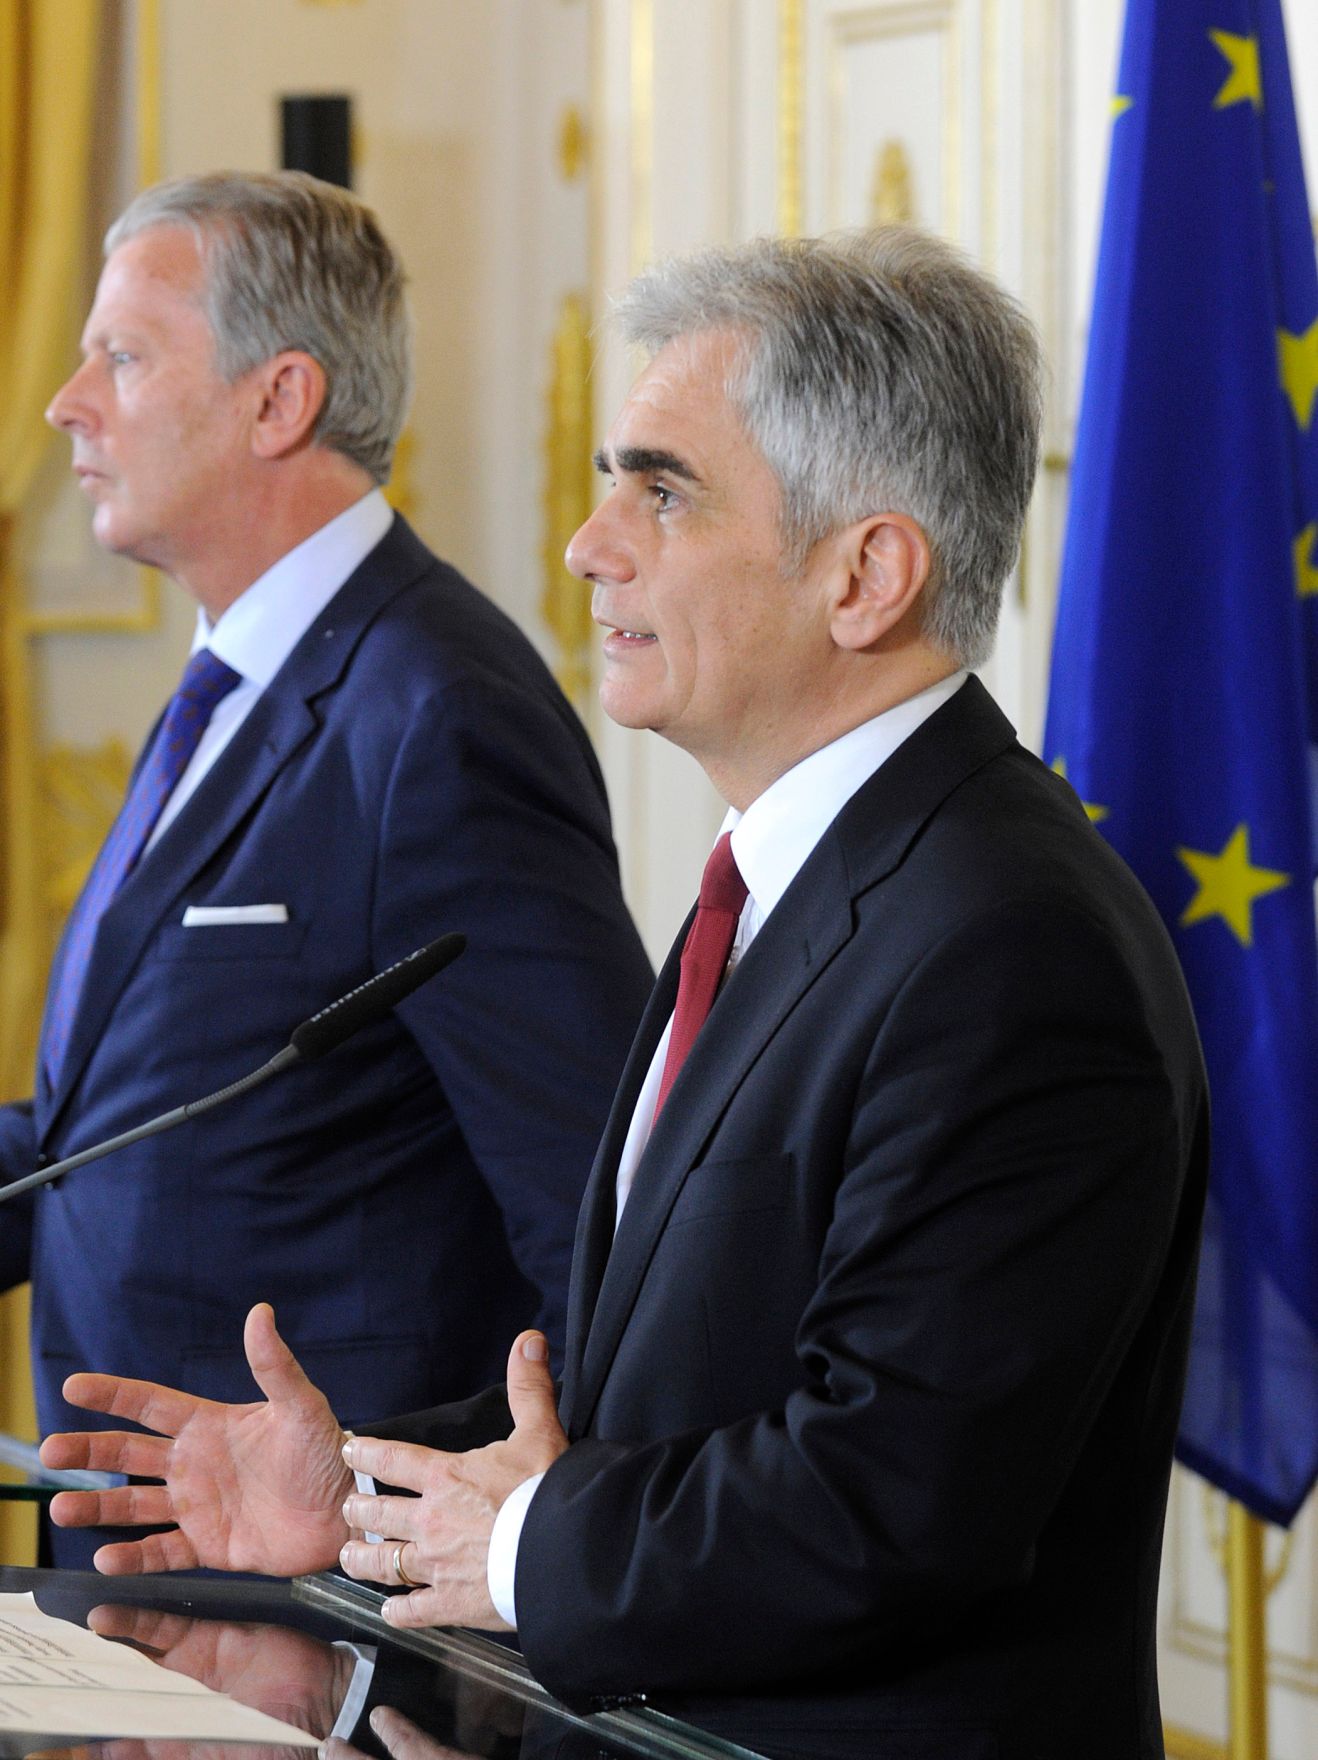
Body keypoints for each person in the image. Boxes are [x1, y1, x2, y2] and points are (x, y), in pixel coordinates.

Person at [43, 226, 1209, 1760]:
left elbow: (886, 1501)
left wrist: (513, 1542)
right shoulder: (785, 883)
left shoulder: (1010, 945)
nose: (590, 547)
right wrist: (362, 1537)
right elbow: (640, 1407)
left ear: (864, 573)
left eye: (661, 491)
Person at [5, 170, 653, 1568]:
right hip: (151, 1586)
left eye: (122, 355)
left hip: (320, 1613)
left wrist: (464, 1568)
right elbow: (102, 1134)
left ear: (277, 400)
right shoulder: (235, 680)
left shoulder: (439, 713)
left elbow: (594, 1221)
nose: (68, 402)